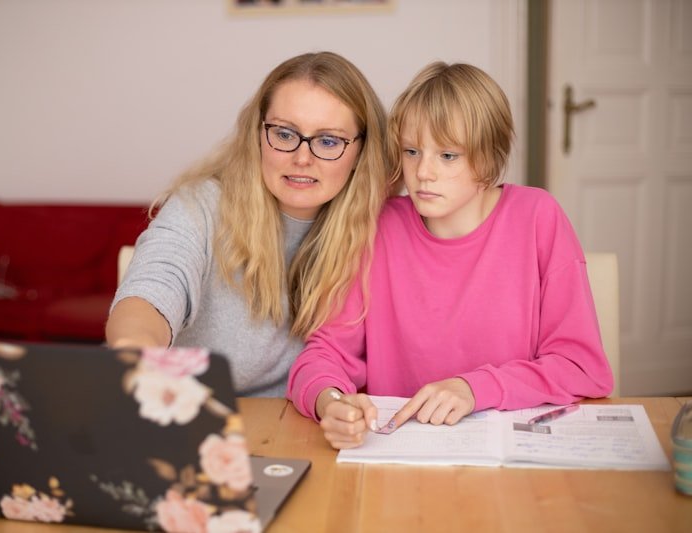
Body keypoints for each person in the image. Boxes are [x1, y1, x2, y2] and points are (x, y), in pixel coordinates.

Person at [287, 61, 614, 448]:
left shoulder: (537, 217)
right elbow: (324, 354)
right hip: (397, 456)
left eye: (448, 155)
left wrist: (474, 389)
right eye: (412, 151)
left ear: (488, 157)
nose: (423, 172)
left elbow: (581, 367)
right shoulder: (377, 226)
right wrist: (330, 402)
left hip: (509, 458)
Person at [106, 51, 390, 397]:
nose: (302, 158)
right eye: (284, 134)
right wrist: (135, 349)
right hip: (186, 409)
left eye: (328, 141)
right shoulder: (202, 205)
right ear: (258, 133)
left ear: (361, 150)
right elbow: (153, 287)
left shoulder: (380, 229)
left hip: (295, 420)